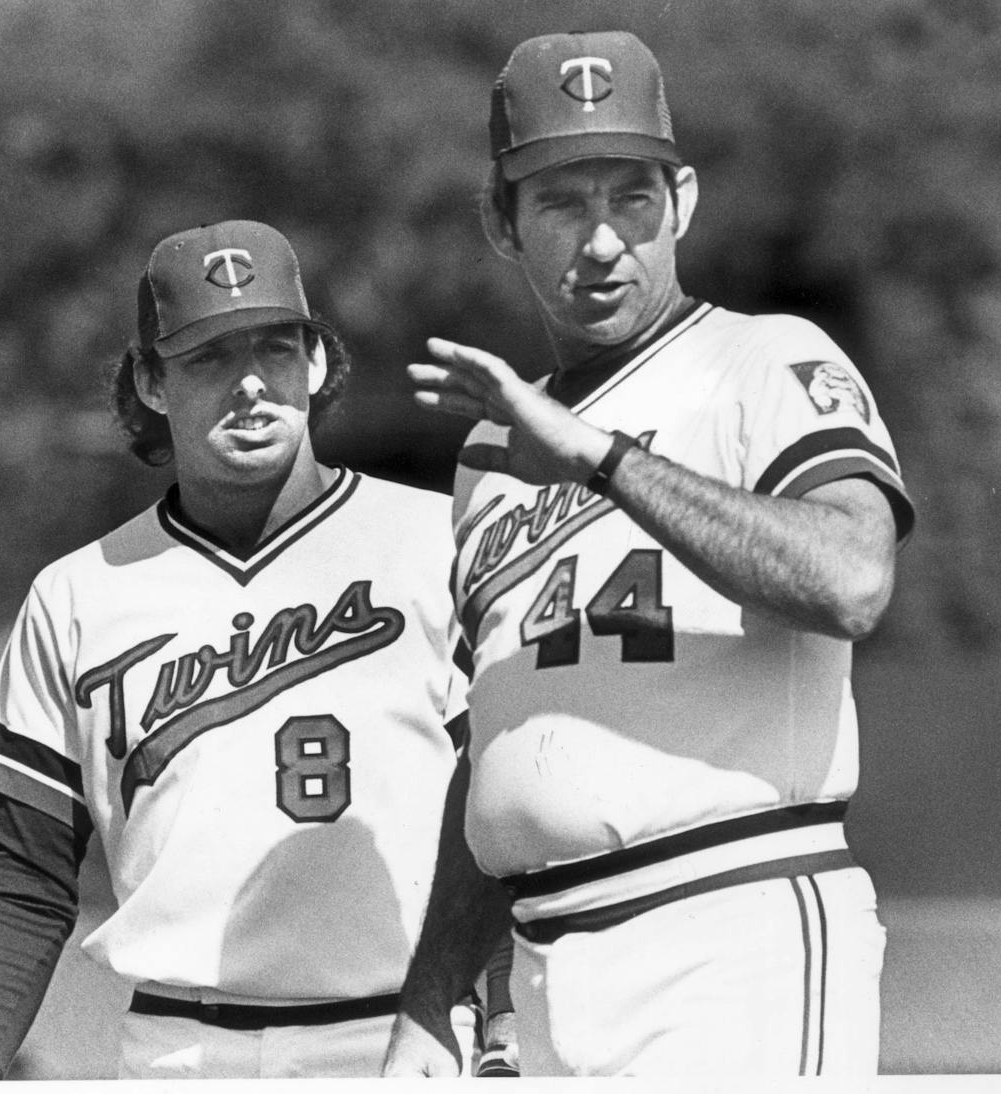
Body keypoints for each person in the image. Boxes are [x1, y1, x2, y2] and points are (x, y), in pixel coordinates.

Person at [382, 31, 916, 1078]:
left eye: (631, 197)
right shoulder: (494, 451)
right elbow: (500, 747)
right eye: (560, 203)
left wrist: (602, 460)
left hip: (736, 925)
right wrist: (432, 996)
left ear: (683, 201)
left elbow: (854, 579)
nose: (601, 241)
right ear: (501, 221)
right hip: (546, 961)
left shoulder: (766, 359)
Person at [0, 220, 486, 1080]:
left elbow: (510, 807)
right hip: (177, 1049)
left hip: (403, 1038)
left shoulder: (443, 540)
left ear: (319, 363)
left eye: (275, 347)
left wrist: (505, 1012)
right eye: (210, 357)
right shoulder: (82, 593)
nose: (252, 384)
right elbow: (17, 870)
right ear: (150, 381)